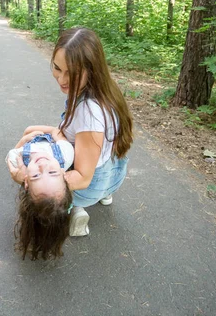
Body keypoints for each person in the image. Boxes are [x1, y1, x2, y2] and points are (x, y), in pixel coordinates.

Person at [10, 27, 133, 238]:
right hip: (113, 169)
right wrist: (43, 130)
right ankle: (105, 195)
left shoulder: (89, 115)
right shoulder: (105, 88)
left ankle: (73, 210)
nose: (61, 79)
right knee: (35, 135)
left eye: (72, 73)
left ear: (92, 69)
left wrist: (28, 179)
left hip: (91, 185)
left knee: (41, 188)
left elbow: (83, 178)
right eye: (57, 68)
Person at [6, 130, 75, 260]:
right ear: (63, 173)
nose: (43, 165)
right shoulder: (66, 155)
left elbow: (12, 153)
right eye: (53, 172)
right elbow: (58, 133)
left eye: (36, 176)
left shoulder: (18, 161)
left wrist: (24, 140)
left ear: (25, 181)